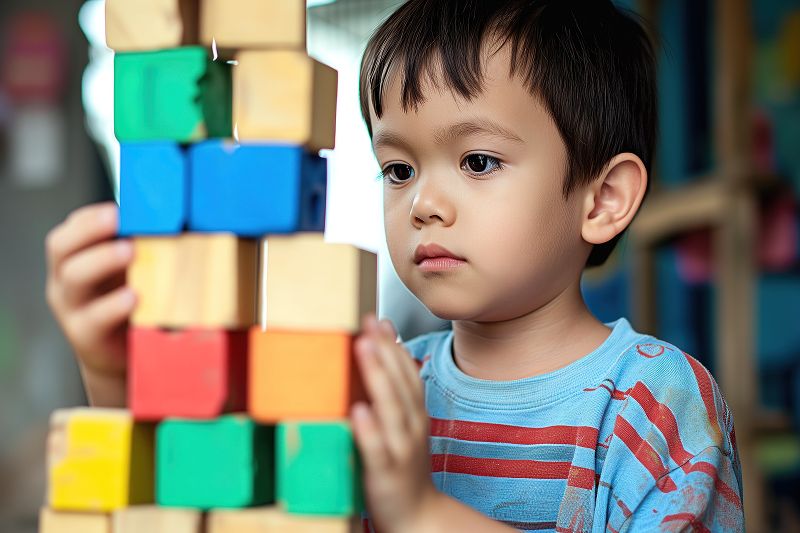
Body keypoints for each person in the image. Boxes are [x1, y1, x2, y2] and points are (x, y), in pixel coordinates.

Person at [45, 1, 744, 531]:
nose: (422, 203)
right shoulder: (379, 383)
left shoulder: (655, 403)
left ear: (603, 198)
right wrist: (118, 373)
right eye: (398, 167)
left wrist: (423, 513)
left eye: (477, 161)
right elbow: (209, 504)